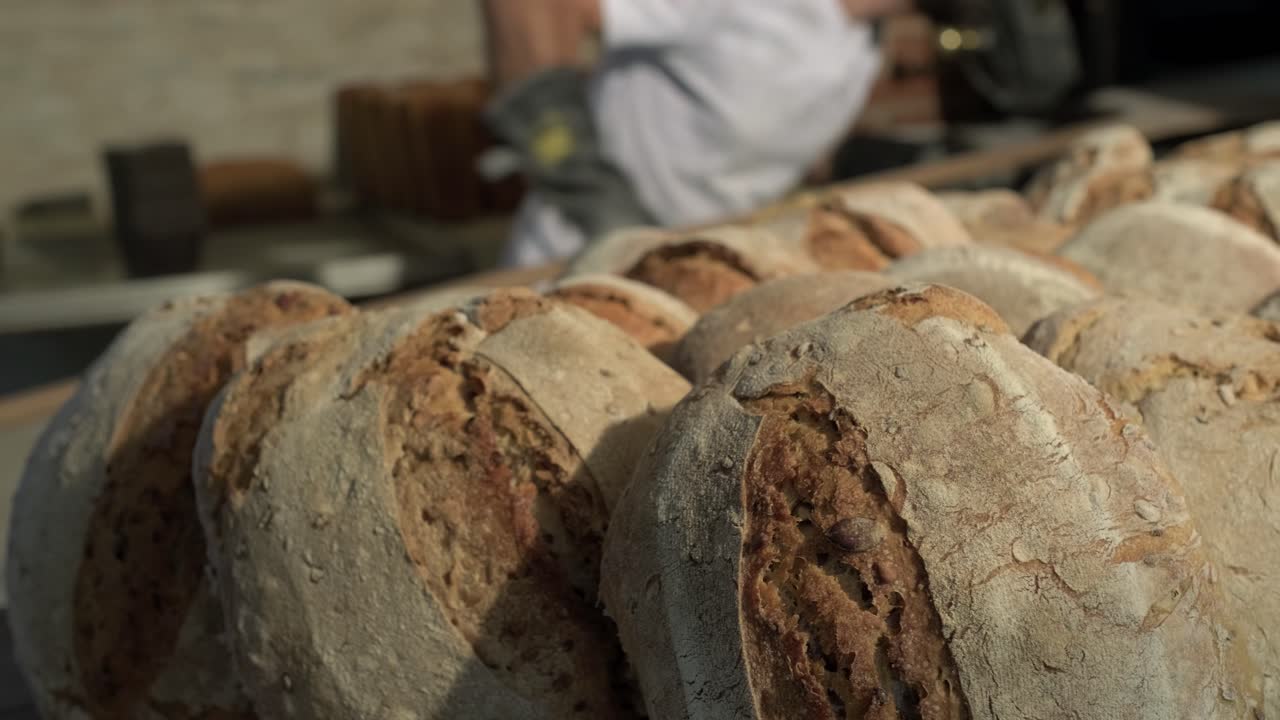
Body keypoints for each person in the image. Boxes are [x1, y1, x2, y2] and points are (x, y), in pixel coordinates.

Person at [482, 0, 913, 267]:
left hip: (697, 271)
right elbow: (526, 6)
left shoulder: (866, 42)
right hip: (571, 259)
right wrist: (581, 179)